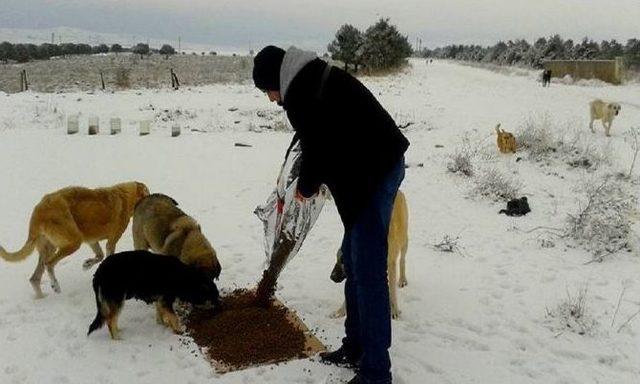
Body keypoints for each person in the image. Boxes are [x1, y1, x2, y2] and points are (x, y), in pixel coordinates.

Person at [252, 45, 409, 384]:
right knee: (353, 262)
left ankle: (376, 372)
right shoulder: (307, 80)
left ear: (274, 79)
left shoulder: (301, 91)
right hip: (361, 173)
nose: (270, 99)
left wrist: (306, 187)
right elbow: (317, 139)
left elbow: (317, 147)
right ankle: (354, 346)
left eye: (267, 90)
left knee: (368, 273)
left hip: (376, 172)